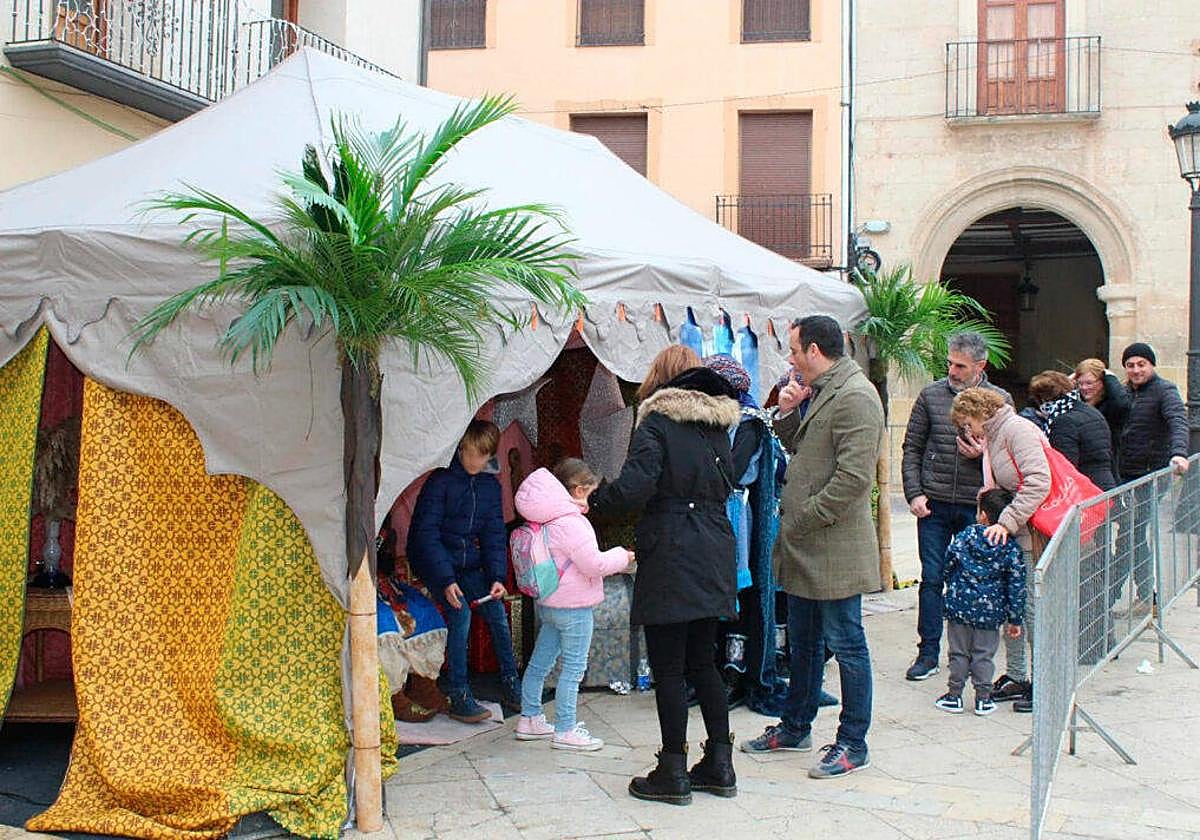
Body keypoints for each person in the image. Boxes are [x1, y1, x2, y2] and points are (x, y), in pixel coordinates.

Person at [589, 345, 742, 805]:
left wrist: (596, 502)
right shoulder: (718, 428)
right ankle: (720, 764)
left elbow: (635, 487)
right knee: (704, 663)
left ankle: (672, 770)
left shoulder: (656, 422)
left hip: (673, 550)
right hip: (714, 547)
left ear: (659, 379)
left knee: (670, 669)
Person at [741, 315, 884, 780]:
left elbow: (853, 479)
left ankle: (852, 742)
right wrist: (786, 411)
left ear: (816, 351)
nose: (791, 358)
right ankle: (795, 725)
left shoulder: (857, 397)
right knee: (802, 643)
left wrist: (801, 517)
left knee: (847, 644)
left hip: (833, 546)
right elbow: (803, 449)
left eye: (796, 349)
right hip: (806, 546)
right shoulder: (823, 391)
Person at [901, 332, 1011, 682]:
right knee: (931, 579)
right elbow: (912, 447)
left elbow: (1011, 455)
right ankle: (928, 652)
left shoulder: (1000, 401)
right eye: (950, 362)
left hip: (975, 506)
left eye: (960, 365)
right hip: (933, 503)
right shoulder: (931, 395)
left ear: (980, 366)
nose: (953, 370)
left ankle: (967, 658)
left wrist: (984, 456)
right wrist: (914, 493)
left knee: (972, 582)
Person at [513, 459, 634, 751]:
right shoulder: (571, 522)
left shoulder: (546, 517)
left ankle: (530, 718)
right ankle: (566, 729)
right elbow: (594, 565)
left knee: (539, 664)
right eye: (591, 493)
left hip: (550, 603)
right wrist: (624, 556)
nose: (592, 500)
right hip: (575, 606)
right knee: (573, 669)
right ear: (578, 489)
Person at [407, 420, 521, 723]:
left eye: (481, 456)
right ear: (459, 449)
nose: (474, 461)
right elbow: (426, 535)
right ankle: (459, 694)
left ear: (489, 456)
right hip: (434, 560)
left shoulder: (489, 487)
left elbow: (495, 534)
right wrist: (445, 580)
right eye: (469, 454)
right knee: (461, 614)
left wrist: (497, 577)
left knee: (496, 612)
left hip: (467, 562)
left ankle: (511, 683)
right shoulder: (440, 481)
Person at [949, 387, 1050, 714]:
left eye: (967, 423)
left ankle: (1044, 681)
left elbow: (1038, 481)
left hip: (1029, 533)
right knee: (1013, 608)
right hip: (1016, 532)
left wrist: (1005, 522)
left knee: (1032, 611)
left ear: (979, 413)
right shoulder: (996, 434)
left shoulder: (1016, 430)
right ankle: (1018, 675)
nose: (968, 431)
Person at [1026, 370, 1115, 665]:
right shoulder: (1088, 413)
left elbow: (1064, 470)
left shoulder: (1063, 422)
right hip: (1102, 494)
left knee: (1081, 573)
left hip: (1082, 502)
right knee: (1094, 570)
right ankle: (1103, 638)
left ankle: (1087, 643)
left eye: (1042, 400)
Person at [1113, 342, 1191, 616]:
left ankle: (1123, 598)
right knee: (1132, 537)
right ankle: (1147, 597)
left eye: (1141, 364)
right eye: (1130, 365)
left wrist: (1180, 453)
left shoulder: (1165, 391)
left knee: (1130, 537)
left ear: (1152, 365)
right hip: (1124, 475)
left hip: (1150, 475)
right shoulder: (1123, 393)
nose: (1136, 370)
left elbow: (1178, 422)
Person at [934, 488, 1026, 717]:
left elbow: (948, 563)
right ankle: (983, 698)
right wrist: (1015, 618)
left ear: (983, 515)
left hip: (959, 608)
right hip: (990, 613)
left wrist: (952, 586)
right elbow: (1016, 584)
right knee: (983, 654)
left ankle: (954, 695)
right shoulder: (1010, 547)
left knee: (958, 652)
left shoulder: (965, 537)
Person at [1027, 371, 1115, 491]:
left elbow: (1065, 467)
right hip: (1105, 484)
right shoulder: (1090, 410)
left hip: (1085, 491)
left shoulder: (1062, 421)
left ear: (1043, 398)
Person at [1074, 357, 1131, 466]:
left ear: (1102, 382)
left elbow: (1121, 403)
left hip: (1105, 466)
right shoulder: (1077, 403)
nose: (1084, 388)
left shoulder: (1110, 406)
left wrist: (1108, 375)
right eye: (1080, 383)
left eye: (1089, 383)